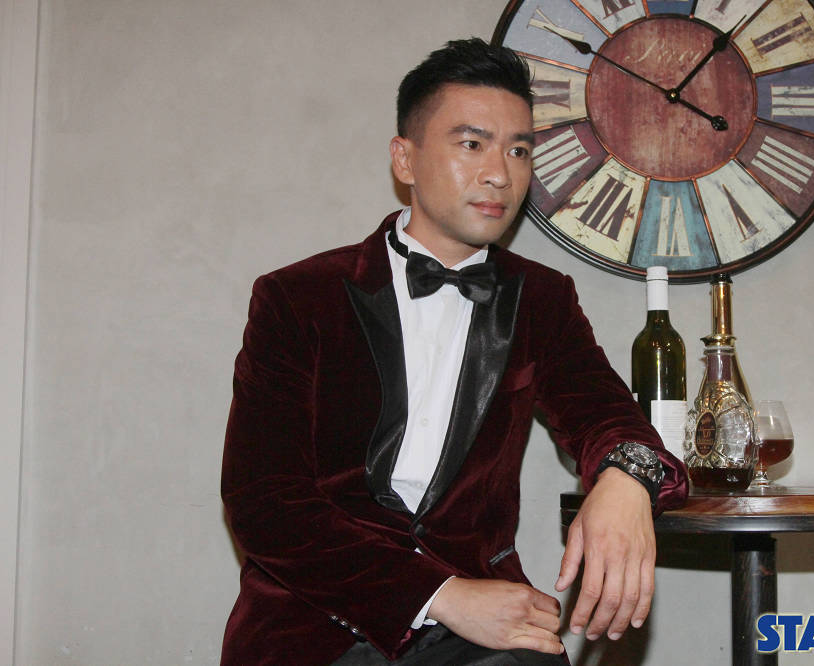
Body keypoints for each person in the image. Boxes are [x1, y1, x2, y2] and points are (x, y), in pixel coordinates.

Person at [221, 38, 687, 665]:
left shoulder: (542, 299)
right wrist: (437, 595)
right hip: (315, 619)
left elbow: (604, 412)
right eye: (472, 144)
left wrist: (625, 479)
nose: (501, 173)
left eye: (519, 150)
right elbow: (263, 500)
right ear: (405, 159)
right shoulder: (297, 297)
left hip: (481, 627)